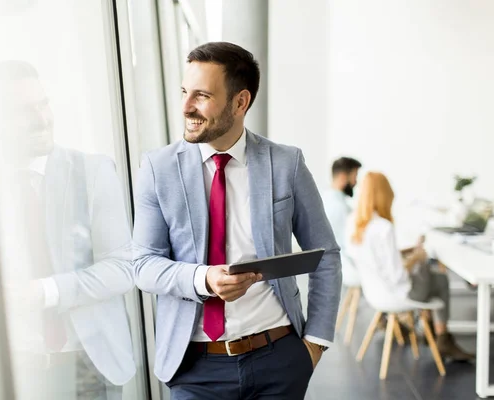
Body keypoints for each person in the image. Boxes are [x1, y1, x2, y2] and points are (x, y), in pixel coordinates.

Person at [132, 42, 342, 399]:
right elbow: (143, 265)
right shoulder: (158, 168)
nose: (185, 107)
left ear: (240, 102)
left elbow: (326, 255)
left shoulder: (286, 163)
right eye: (184, 92)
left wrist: (315, 345)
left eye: (201, 95)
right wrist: (203, 279)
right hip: (193, 367)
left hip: (278, 357)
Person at [0, 61, 135, 399]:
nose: (41, 120)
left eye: (43, 104)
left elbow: (124, 268)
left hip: (87, 366)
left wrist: (43, 292)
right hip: (14, 370)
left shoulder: (92, 172)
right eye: (23, 111)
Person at [347, 172, 473, 361]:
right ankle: (442, 338)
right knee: (439, 278)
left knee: (428, 273)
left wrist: (409, 252)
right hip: (399, 293)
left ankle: (432, 331)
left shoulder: (355, 224)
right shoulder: (384, 228)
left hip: (375, 292)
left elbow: (380, 261)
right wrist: (417, 257)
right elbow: (397, 276)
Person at [322, 157, 362, 285]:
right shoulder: (341, 207)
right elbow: (350, 245)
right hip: (346, 268)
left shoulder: (323, 199)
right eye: (355, 176)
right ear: (344, 177)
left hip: (329, 267)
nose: (356, 182)